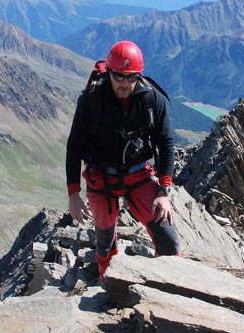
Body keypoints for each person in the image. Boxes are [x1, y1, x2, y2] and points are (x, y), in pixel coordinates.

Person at [66, 40, 181, 281]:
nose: (124, 83)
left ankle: (175, 285)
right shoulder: (91, 100)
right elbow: (74, 147)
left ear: (139, 75)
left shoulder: (151, 99)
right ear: (109, 72)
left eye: (131, 77)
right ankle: (108, 286)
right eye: (118, 76)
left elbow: (165, 143)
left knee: (166, 234)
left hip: (138, 174)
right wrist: (73, 194)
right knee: (105, 241)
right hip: (101, 177)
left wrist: (163, 191)